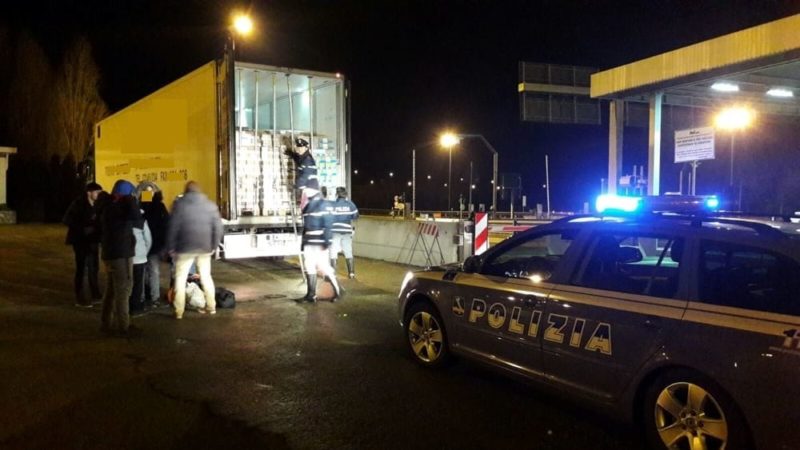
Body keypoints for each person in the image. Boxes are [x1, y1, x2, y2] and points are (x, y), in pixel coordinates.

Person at [166, 181, 223, 319]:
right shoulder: (210, 205)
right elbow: (218, 228)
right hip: (204, 248)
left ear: (186, 191)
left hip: (184, 248)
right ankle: (211, 307)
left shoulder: (179, 205)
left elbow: (172, 227)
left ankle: (179, 311)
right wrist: (214, 246)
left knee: (180, 279)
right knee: (206, 277)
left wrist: (171, 247)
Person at [97, 179, 142, 337]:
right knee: (123, 289)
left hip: (112, 253)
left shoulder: (108, 205)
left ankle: (106, 323)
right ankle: (123, 326)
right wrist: (130, 200)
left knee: (111, 289)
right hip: (119, 254)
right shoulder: (119, 208)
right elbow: (138, 220)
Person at [62, 181, 103, 307]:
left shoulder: (98, 205)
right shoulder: (78, 204)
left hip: (93, 241)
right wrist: (83, 228)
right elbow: (67, 220)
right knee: (81, 268)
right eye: (96, 192)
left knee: (94, 268)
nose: (98, 194)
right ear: (89, 193)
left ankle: (95, 294)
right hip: (80, 241)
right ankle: (80, 297)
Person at [299, 188, 341, 303]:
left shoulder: (324, 205)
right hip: (309, 241)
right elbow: (305, 226)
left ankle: (338, 291)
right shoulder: (308, 206)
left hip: (319, 241)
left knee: (324, 267)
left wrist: (326, 242)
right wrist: (303, 243)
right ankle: (311, 295)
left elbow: (328, 225)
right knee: (309, 266)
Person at [142, 190, 169, 307]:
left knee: (142, 272)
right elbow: (166, 224)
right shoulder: (160, 206)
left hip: (142, 245)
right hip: (155, 245)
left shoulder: (140, 206)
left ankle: (142, 296)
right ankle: (155, 298)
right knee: (154, 271)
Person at [329, 187, 359, 279]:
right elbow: (356, 216)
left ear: (337, 194)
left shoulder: (333, 205)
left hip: (335, 231)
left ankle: (333, 273)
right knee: (348, 251)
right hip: (346, 231)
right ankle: (351, 273)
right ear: (345, 194)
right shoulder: (350, 204)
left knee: (333, 252)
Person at [129, 208, 151, 315]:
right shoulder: (142, 222)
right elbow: (148, 239)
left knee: (127, 283)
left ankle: (126, 306)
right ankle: (136, 307)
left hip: (126, 257)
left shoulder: (123, 221)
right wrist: (144, 252)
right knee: (138, 283)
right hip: (139, 258)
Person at [285, 137, 318, 210]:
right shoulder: (304, 157)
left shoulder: (307, 160)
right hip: (307, 188)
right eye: (298, 148)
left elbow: (306, 175)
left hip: (310, 189)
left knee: (307, 211)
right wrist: (292, 154)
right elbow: (298, 160)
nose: (299, 149)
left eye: (301, 148)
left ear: (306, 148)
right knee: (306, 210)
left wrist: (296, 186)